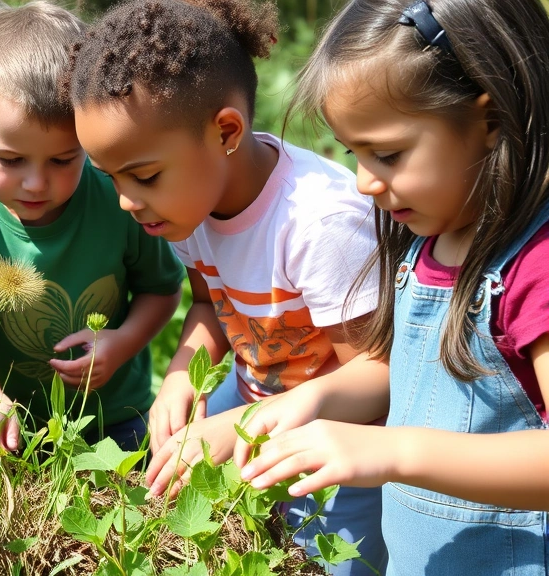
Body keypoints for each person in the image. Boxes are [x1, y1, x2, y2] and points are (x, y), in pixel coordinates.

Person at [65, 0, 387, 573]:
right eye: (110, 177)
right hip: (255, 409)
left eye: (144, 175)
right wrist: (179, 378)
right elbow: (210, 305)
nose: (126, 201)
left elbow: (378, 377)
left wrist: (241, 430)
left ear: (226, 132)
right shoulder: (188, 205)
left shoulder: (317, 225)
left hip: (340, 450)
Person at [233, 0, 549, 573]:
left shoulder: (536, 267)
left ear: (490, 121)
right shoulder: (429, 240)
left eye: (387, 154)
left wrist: (394, 450)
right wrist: (314, 399)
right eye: (353, 153)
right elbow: (410, 380)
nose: (363, 181)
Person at [0, 1, 184, 457]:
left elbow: (161, 289)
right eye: (10, 159)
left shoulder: (118, 195)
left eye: (63, 160)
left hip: (112, 420)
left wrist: (122, 343)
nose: (35, 183)